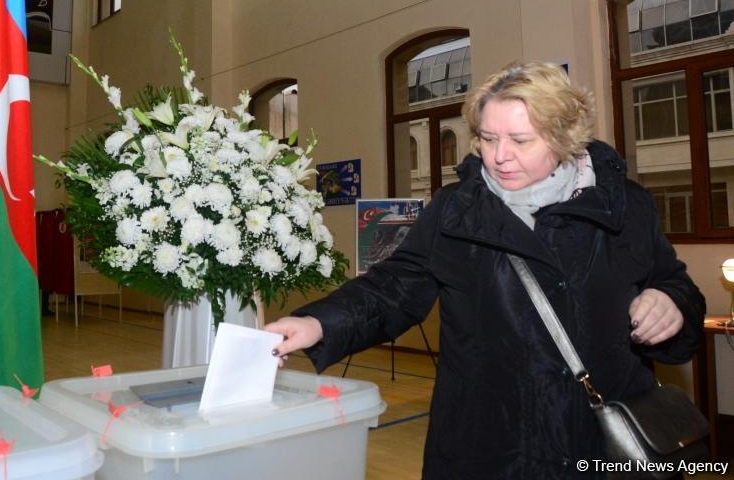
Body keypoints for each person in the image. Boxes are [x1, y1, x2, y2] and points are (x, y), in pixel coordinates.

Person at [265, 61, 706, 479]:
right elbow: (395, 287)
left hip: (600, 441)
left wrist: (672, 302)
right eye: (488, 138)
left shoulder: (624, 205)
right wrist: (317, 322)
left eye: (520, 140)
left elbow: (673, 282)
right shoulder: (457, 209)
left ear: (564, 135)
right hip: (490, 442)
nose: (500, 157)